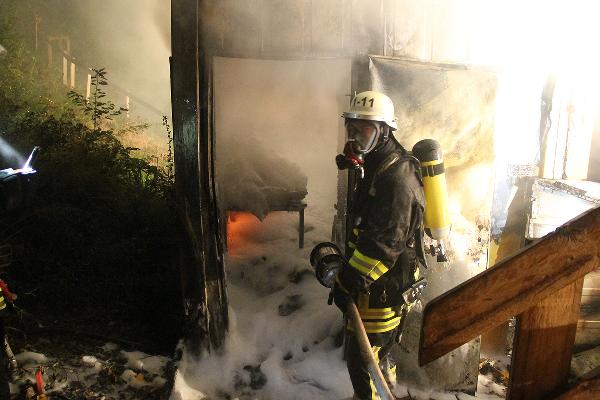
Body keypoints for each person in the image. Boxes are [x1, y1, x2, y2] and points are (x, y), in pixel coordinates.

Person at [333, 90, 426, 400]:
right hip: (376, 283)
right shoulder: (378, 165)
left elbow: (385, 244)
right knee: (378, 358)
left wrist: (348, 281)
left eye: (365, 130)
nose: (356, 137)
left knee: (365, 362)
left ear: (385, 131)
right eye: (352, 128)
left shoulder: (396, 178)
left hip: (383, 287)